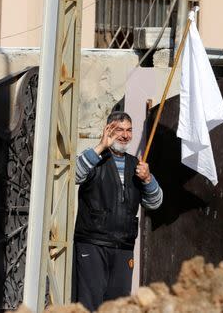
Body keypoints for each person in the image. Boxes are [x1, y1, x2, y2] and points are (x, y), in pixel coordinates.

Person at [71, 111, 163, 311]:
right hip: (92, 244)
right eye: (119, 130)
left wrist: (148, 180)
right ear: (108, 130)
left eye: (129, 130)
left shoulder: (137, 166)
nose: (125, 135)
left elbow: (155, 203)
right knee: (88, 306)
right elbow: (74, 175)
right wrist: (101, 146)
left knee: (118, 307)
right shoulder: (94, 158)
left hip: (123, 247)